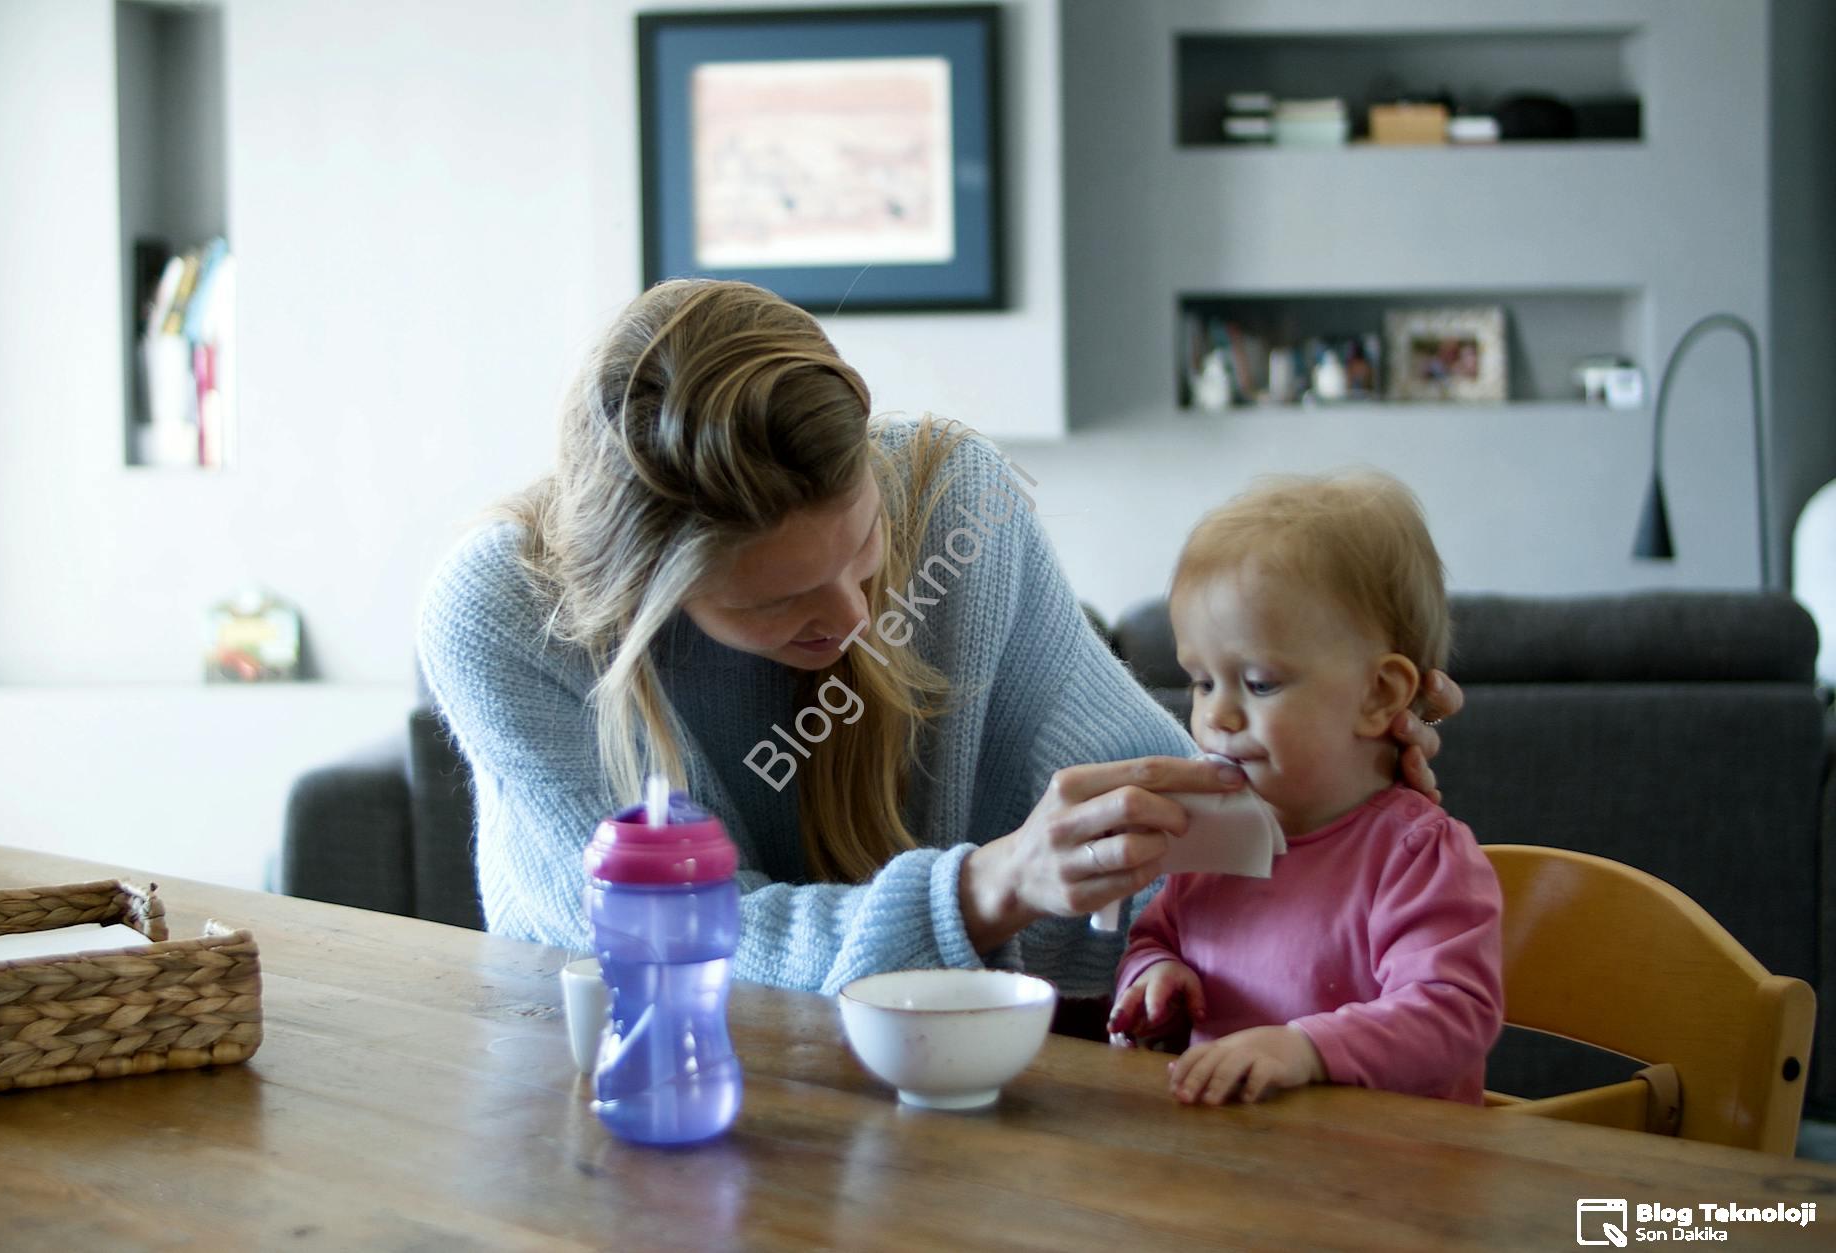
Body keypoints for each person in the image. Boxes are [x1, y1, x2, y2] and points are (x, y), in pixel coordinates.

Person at [418, 278, 1462, 998]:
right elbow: (667, 945)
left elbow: (1169, 847)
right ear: (643, 586)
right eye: (774, 604)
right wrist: (980, 888)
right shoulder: (504, 614)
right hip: (631, 1093)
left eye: (862, 548)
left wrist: (1329, 778)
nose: (852, 617)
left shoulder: (946, 501)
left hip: (923, 1095)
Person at [1107, 472, 1502, 1104]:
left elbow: (1453, 1014)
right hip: (1236, 1171)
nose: (1218, 718)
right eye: (1203, 683)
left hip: (1388, 1179)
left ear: (1379, 695)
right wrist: (1157, 976)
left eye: (1259, 684)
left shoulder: (1417, 856)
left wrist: (1305, 1048)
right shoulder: (1213, 838)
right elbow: (1156, 934)